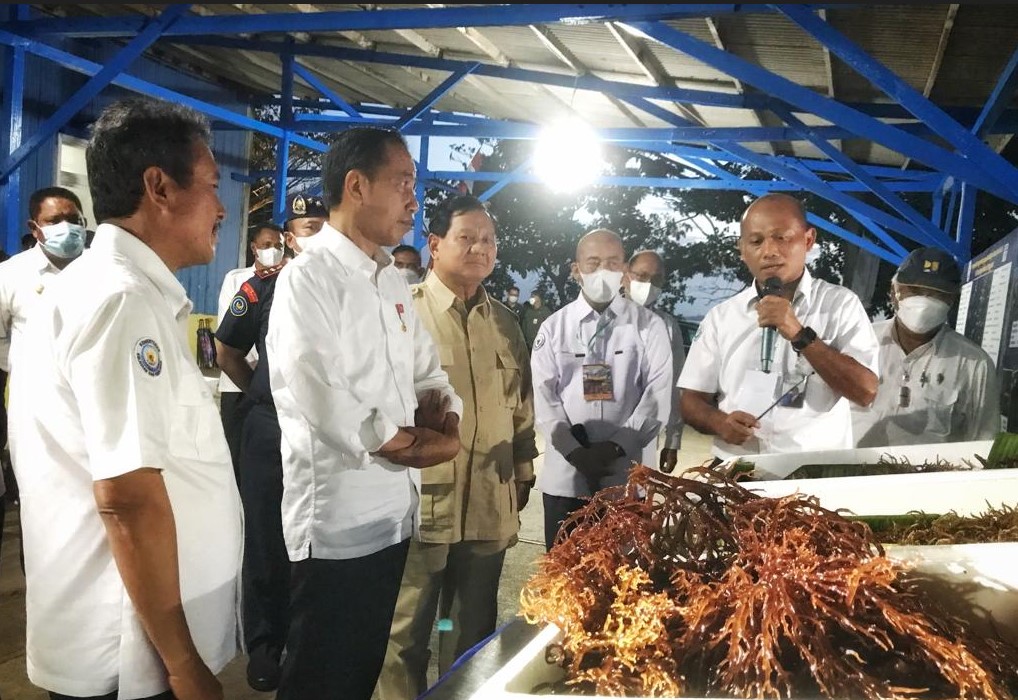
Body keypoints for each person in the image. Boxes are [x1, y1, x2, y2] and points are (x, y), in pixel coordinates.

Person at [8, 97, 242, 699]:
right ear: (159, 187)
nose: (221, 209)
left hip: (134, 647)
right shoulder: (121, 302)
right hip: (129, 660)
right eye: (213, 186)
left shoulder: (122, 294)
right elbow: (128, 500)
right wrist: (185, 664)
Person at [266, 126, 463, 700]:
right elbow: (320, 393)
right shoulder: (309, 279)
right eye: (402, 182)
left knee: (358, 672)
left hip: (392, 517)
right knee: (318, 678)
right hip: (336, 524)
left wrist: (445, 415)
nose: (413, 199)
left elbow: (427, 371)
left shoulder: (394, 282)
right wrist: (411, 446)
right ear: (356, 186)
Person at [376, 195, 538, 699]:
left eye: (488, 240)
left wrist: (524, 470)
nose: (479, 249)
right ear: (435, 244)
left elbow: (522, 407)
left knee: (470, 636)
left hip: (490, 504)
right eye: (466, 237)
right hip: (424, 504)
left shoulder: (506, 323)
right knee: (404, 635)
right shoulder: (403, 316)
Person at [214, 199, 324, 692]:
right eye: (307, 226)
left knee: (314, 541)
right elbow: (227, 349)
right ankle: (264, 645)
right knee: (265, 537)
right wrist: (263, 387)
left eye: (324, 225)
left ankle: (306, 641)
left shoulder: (348, 288)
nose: (317, 233)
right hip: (271, 427)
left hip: (325, 433)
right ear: (290, 235)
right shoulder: (262, 287)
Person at [678, 193, 879, 461]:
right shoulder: (721, 317)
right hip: (738, 470)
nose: (769, 251)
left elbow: (865, 391)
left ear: (808, 240)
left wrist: (800, 334)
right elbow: (691, 401)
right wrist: (720, 423)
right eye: (756, 241)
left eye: (781, 237)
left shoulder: (840, 305)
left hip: (813, 474)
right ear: (742, 250)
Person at [531, 229, 673, 551]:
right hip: (566, 479)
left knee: (624, 581)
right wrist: (575, 452)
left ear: (624, 270)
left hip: (627, 481)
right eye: (593, 263)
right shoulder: (553, 328)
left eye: (612, 263)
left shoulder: (649, 326)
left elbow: (656, 397)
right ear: (575, 270)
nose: (603, 272)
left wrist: (613, 449)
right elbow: (545, 398)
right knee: (562, 580)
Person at [852, 246, 1000, 447]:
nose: (924, 301)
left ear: (952, 299)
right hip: (852, 474)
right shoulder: (858, 341)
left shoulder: (974, 364)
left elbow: (985, 439)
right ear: (894, 292)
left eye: (937, 294)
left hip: (930, 476)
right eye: (914, 290)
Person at [214, 222, 287, 483]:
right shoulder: (237, 279)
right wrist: (255, 376)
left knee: (265, 465)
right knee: (236, 452)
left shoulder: (290, 278)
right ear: (254, 248)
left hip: (270, 388)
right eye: (266, 245)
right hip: (237, 383)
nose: (273, 250)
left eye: (278, 245)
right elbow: (228, 331)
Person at [0, 186, 87, 374]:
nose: (66, 227)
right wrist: (26, 367)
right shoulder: (10, 274)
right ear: (34, 228)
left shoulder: (101, 268)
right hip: (32, 393)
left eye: (73, 220)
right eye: (54, 221)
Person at [623, 249, 686, 473]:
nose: (648, 284)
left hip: (645, 437)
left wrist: (673, 441)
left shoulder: (667, 327)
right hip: (599, 434)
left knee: (635, 502)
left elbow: (675, 385)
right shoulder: (600, 320)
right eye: (641, 276)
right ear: (625, 275)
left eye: (656, 279)